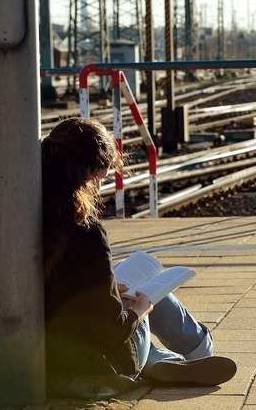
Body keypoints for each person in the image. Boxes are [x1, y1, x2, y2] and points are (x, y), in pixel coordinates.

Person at [42, 118, 236, 396]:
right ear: (88, 174)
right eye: (99, 179)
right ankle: (198, 349)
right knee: (151, 288)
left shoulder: (21, 221)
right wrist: (140, 308)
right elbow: (111, 330)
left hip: (45, 361)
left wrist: (108, 292)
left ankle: (161, 361)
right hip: (99, 368)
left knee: (127, 288)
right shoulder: (86, 232)